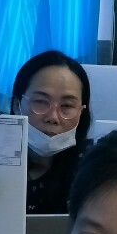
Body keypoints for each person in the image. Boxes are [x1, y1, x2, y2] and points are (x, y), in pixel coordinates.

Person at [10, 50, 92, 214]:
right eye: (41, 102)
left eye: (67, 106)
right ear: (16, 106)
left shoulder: (93, 168)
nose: (53, 117)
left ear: (81, 112)